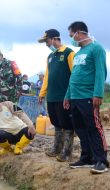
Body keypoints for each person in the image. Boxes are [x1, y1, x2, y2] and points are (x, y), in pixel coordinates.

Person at [63, 21, 108, 174]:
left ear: (79, 33)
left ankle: (101, 160)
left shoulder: (96, 48)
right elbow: (73, 77)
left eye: (71, 35)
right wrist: (67, 96)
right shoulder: (77, 54)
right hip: (75, 97)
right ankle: (87, 158)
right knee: (80, 128)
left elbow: (101, 73)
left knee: (94, 128)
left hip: (89, 96)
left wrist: (98, 94)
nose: (71, 39)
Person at [38, 29, 75, 162]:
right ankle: (57, 148)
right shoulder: (50, 57)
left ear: (54, 39)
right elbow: (47, 77)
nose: (47, 44)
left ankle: (67, 152)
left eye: (47, 41)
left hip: (64, 96)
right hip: (52, 97)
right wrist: (42, 93)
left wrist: (70, 95)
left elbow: (75, 75)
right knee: (56, 123)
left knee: (67, 124)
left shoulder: (68, 53)